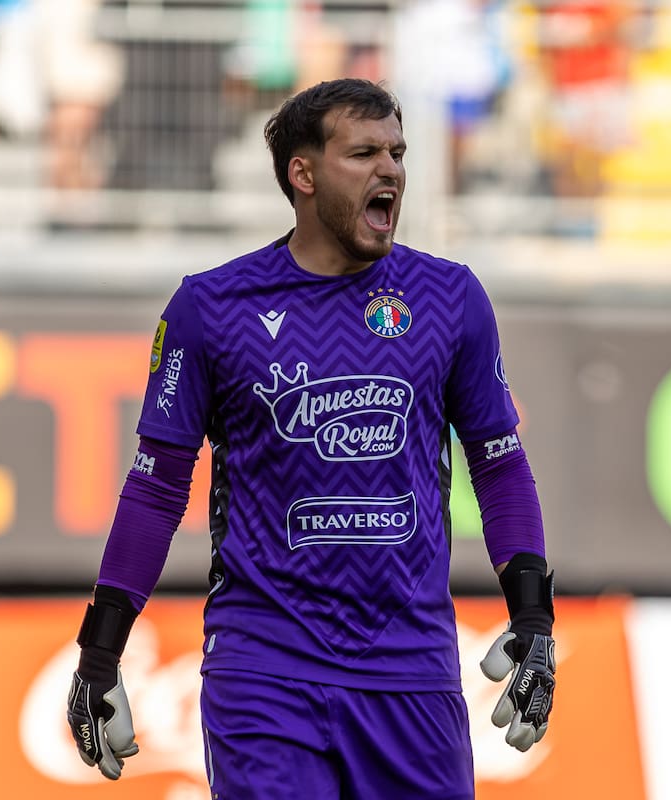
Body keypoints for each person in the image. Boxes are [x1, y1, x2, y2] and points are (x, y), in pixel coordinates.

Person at [63, 78, 557, 799]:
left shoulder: (450, 299)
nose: (390, 169)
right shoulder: (211, 308)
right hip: (265, 671)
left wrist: (535, 618)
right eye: (363, 153)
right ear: (304, 173)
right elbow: (155, 487)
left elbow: (501, 466)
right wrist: (99, 652)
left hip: (410, 674)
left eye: (397, 152)